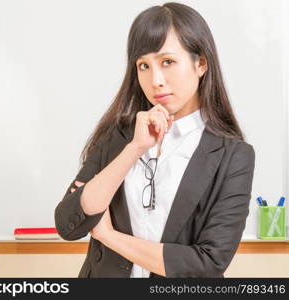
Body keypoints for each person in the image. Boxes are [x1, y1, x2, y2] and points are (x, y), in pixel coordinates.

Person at [54, 2, 255, 278]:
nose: (155, 80)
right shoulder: (119, 137)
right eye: (143, 65)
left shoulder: (233, 155)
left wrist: (109, 236)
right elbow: (68, 224)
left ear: (201, 64)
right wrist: (134, 149)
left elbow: (207, 264)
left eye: (167, 62)